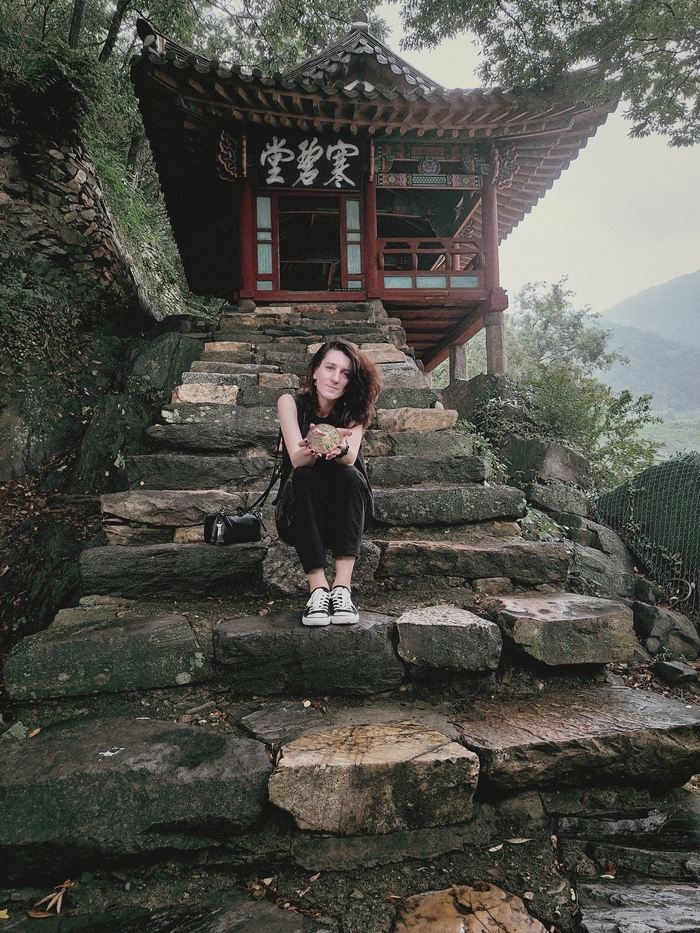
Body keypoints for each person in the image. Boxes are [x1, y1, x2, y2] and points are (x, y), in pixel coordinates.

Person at [276, 339, 382, 626]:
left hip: (346, 512)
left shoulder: (355, 409)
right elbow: (296, 459)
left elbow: (350, 458)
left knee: (349, 473)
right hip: (300, 511)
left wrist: (341, 449)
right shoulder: (290, 403)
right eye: (330, 368)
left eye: (345, 373)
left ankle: (342, 589)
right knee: (304, 474)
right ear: (315, 371)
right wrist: (312, 448)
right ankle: (318, 589)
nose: (335, 378)